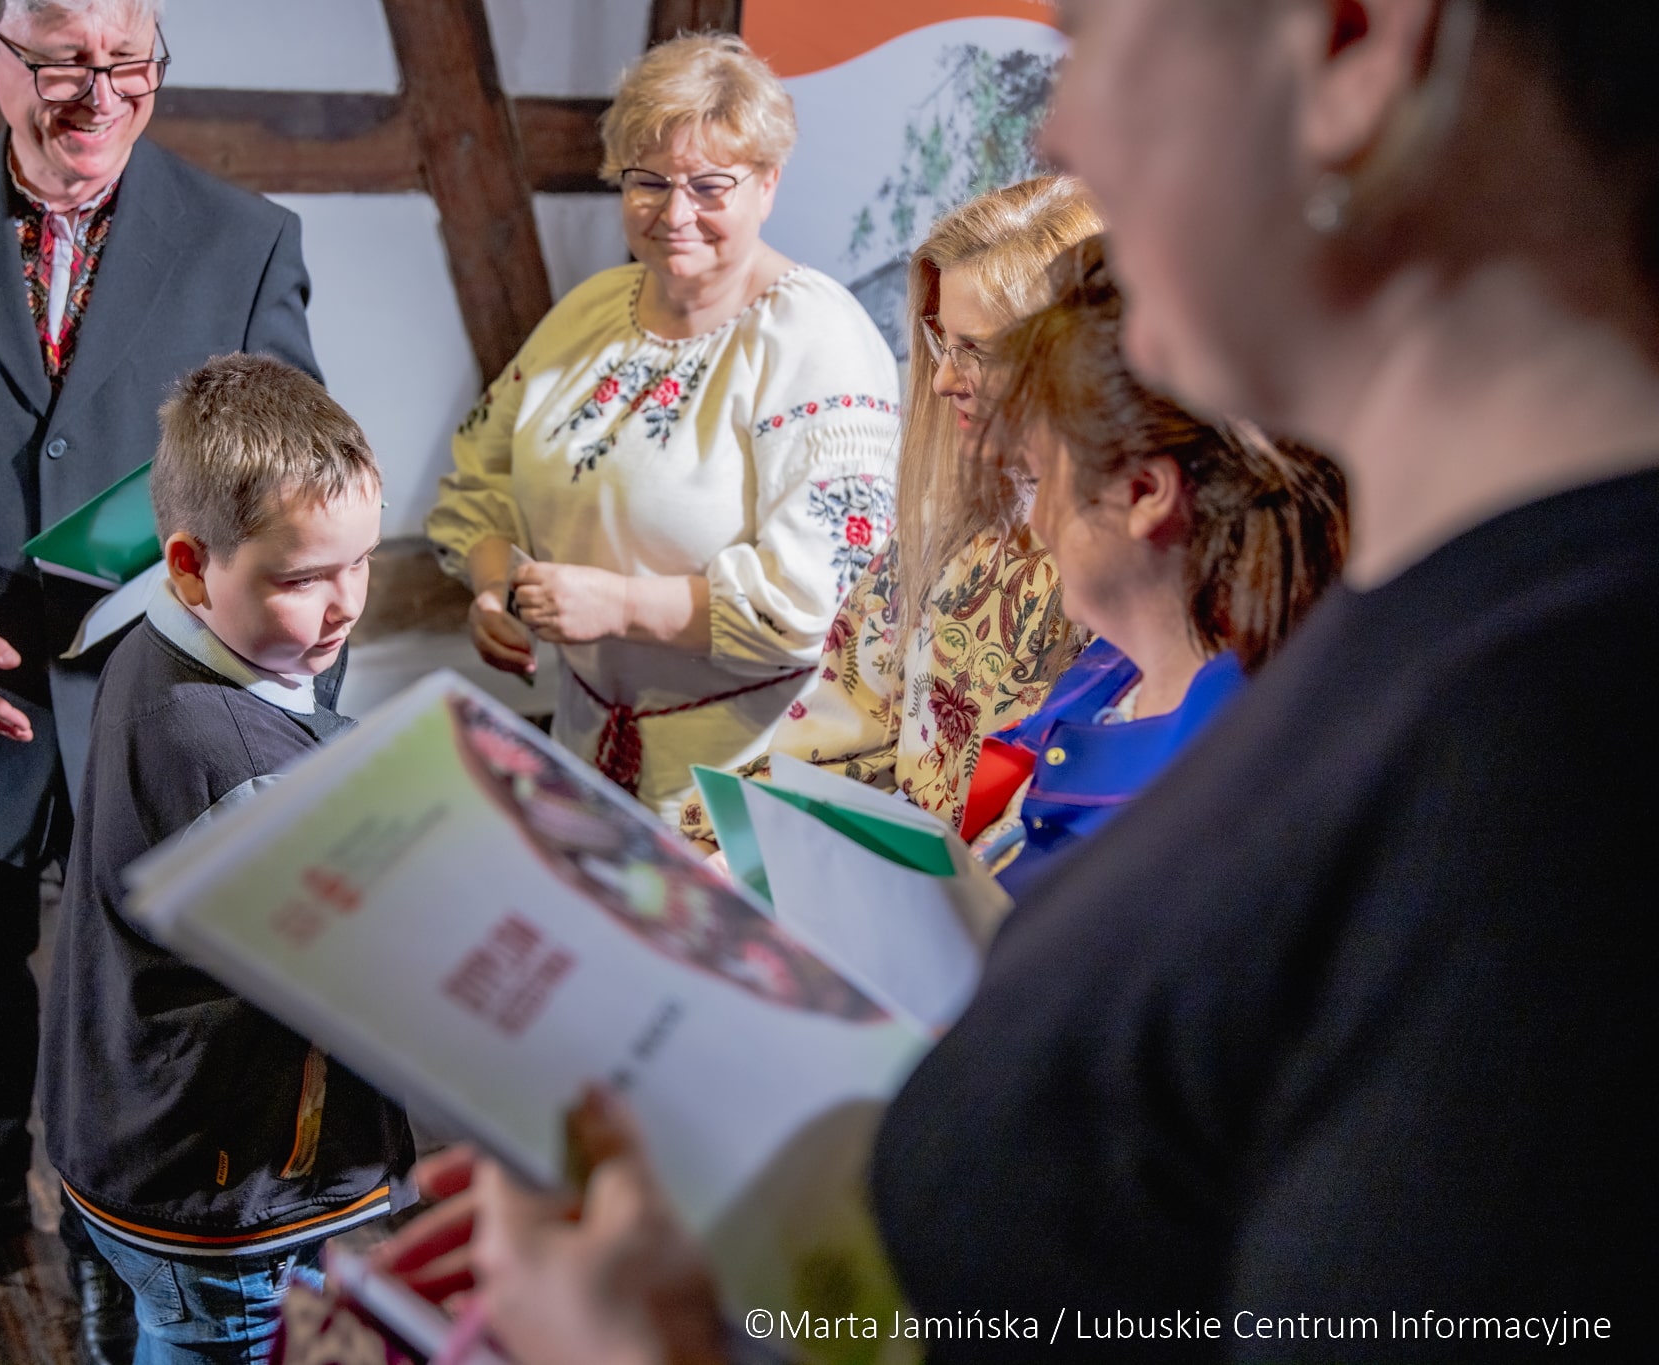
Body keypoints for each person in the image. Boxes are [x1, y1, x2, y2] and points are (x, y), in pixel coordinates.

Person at [377, 0, 1659, 1357]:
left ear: (1355, 43)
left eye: (1100, 37)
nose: (1063, 131)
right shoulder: (1443, 663)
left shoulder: (1546, 765)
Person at [0, 0, 323, 1348]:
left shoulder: (251, 241)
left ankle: (110, 1237)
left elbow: (288, 487)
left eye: (127, 62)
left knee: (138, 1018)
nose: (99, 95)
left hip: (160, 719)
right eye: (60, 63)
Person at [39, 353, 413, 1363]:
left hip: (133, 1121)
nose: (346, 604)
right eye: (302, 578)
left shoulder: (151, 635)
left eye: (362, 560)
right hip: (223, 1187)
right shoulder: (233, 760)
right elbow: (372, 973)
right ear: (190, 563)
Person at [426, 33, 901, 822]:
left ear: (767, 184)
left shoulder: (814, 340)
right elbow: (483, 477)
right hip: (588, 750)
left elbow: (819, 601)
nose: (676, 213)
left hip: (755, 780)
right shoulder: (589, 311)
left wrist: (621, 605)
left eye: (710, 186)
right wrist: (493, 588)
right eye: (648, 181)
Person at [680, 176, 1101, 849]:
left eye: (977, 352)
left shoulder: (1135, 561)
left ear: (1077, 360)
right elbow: (840, 733)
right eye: (942, 342)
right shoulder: (949, 525)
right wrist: (723, 840)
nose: (942, 380)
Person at [947, 237, 1347, 896]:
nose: (1037, 518)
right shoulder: (1111, 669)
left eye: (1042, 478)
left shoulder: (1220, 779)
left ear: (1143, 493)